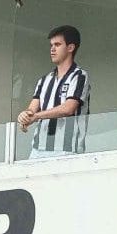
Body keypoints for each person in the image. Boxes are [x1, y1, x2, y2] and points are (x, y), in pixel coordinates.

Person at [21, 25, 90, 157]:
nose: (52, 49)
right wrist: (24, 116)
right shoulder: (44, 80)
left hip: (67, 149)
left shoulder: (79, 76)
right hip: (38, 149)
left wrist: (36, 116)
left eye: (57, 44)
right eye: (51, 45)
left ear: (70, 47)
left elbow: (68, 108)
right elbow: (31, 110)